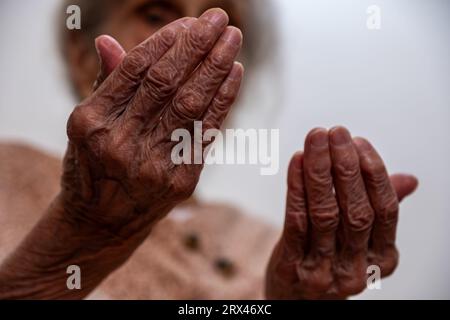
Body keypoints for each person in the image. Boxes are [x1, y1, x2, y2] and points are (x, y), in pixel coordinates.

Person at [0, 0, 418, 299]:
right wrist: (83, 237)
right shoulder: (8, 178)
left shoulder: (267, 246)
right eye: (153, 13)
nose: (196, 39)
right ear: (79, 55)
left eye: (223, 26)